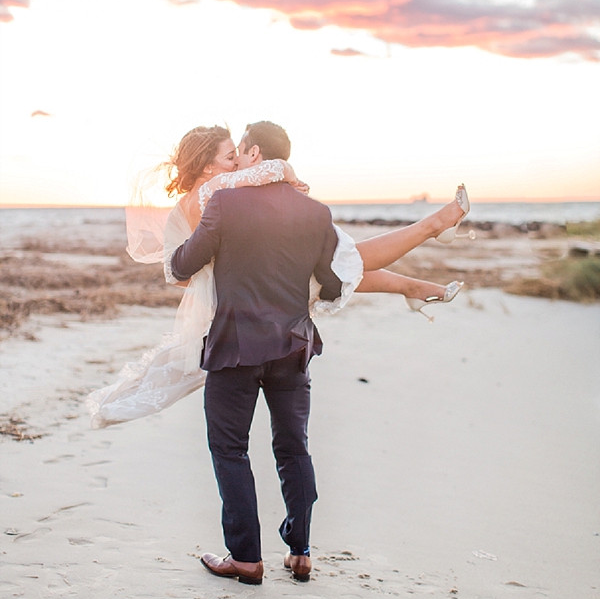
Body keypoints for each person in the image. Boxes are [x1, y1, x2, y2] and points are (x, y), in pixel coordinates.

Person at [167, 121, 469, 585]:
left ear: (251, 153)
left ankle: (245, 557)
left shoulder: (223, 202)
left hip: (236, 347)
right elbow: (333, 282)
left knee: (230, 449)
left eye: (238, 154)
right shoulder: (311, 208)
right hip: (293, 343)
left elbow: (182, 266)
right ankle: (301, 550)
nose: (236, 163)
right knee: (294, 448)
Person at [87, 124, 470, 431]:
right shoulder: (208, 193)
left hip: (252, 287)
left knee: (344, 260)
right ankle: (432, 231)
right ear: (207, 165)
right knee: (346, 258)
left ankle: (415, 279)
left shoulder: (213, 191)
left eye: (239, 154)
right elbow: (191, 264)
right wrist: (283, 170)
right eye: (230, 156)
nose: (237, 162)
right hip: (247, 296)